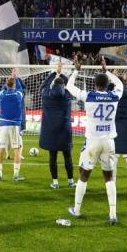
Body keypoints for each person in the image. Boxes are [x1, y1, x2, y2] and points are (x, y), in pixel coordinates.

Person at [66, 56, 123, 225]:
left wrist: (76, 71)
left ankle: (77, 210)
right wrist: (108, 72)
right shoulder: (114, 96)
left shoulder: (89, 96)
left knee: (84, 175)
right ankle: (112, 214)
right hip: (109, 141)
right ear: (107, 84)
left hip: (92, 141)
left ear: (95, 84)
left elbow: (69, 86)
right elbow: (120, 85)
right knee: (109, 177)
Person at [39, 61, 74, 189]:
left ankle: (55, 182)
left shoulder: (46, 95)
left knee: (52, 157)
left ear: (53, 85)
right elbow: (71, 85)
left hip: (50, 131)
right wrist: (62, 74)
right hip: (65, 130)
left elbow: (43, 85)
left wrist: (55, 72)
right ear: (64, 86)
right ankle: (70, 181)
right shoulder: (68, 96)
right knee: (67, 156)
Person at [0, 68, 26, 182]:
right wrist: (15, 77)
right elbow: (20, 89)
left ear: (6, 85)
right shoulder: (18, 95)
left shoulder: (2, 94)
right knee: (17, 150)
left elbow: (3, 89)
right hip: (15, 125)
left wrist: (11, 79)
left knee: (0, 150)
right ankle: (16, 175)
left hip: (3, 125)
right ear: (14, 86)